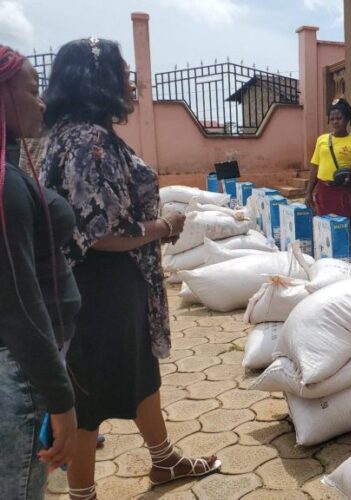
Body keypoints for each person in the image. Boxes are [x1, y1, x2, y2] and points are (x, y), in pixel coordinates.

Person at [41, 38, 221, 499]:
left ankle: (164, 461)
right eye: (122, 71)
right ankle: (83, 494)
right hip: (100, 288)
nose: (131, 80)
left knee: (139, 375)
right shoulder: (88, 140)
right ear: (96, 80)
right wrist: (164, 226)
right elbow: (99, 234)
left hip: (110, 284)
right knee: (90, 396)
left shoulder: (72, 133)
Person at [0, 44, 79, 499]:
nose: (41, 101)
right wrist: (61, 401)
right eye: (31, 90)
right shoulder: (5, 186)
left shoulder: (11, 171)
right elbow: (19, 307)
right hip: (19, 376)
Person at [305, 98, 351, 261]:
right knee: (323, 225)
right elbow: (314, 166)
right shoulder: (322, 140)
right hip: (324, 190)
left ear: (347, 119)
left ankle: (349, 263)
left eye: (339, 118)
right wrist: (308, 192)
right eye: (332, 119)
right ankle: (326, 260)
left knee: (348, 226)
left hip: (345, 192)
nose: (335, 122)